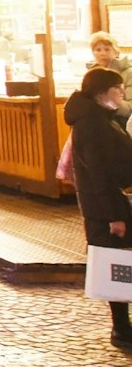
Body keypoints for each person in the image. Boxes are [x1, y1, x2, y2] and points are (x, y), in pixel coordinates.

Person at [66, 67, 132, 350]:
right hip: (106, 210)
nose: (123, 94)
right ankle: (121, 329)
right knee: (116, 267)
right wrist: (115, 216)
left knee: (120, 266)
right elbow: (100, 174)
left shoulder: (101, 118)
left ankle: (123, 327)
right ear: (102, 92)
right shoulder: (92, 124)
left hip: (109, 206)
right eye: (118, 89)